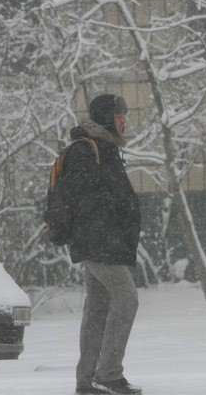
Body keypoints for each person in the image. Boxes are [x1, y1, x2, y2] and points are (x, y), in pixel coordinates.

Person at [60, 94, 142, 395]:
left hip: (105, 243)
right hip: (100, 243)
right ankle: (108, 374)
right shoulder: (87, 149)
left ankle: (87, 381)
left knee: (98, 307)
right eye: (120, 114)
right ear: (107, 116)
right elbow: (83, 197)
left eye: (125, 114)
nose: (124, 119)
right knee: (127, 298)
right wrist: (110, 225)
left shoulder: (104, 148)